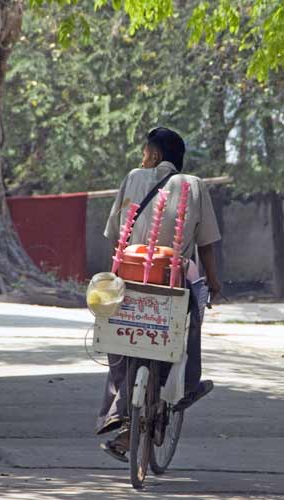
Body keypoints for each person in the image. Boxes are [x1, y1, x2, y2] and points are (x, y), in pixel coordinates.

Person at [97, 127, 221, 462]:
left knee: (118, 339)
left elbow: (113, 236)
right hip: (173, 279)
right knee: (189, 324)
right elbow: (207, 244)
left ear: (152, 154)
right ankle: (186, 388)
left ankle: (115, 410)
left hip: (130, 277)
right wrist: (213, 281)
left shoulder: (133, 177)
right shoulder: (194, 185)